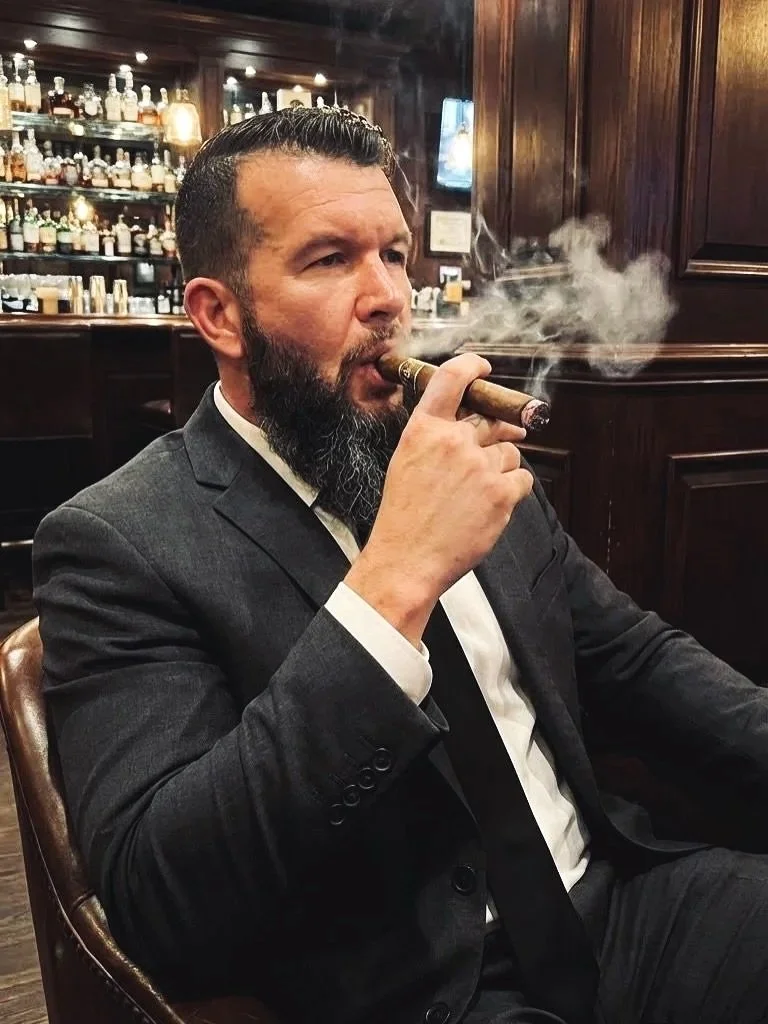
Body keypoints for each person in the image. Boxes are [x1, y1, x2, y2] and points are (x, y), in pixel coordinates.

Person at [33, 107, 768, 1024]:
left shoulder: (453, 457)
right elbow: (162, 898)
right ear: (219, 315)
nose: (387, 297)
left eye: (393, 254)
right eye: (329, 259)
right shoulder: (117, 542)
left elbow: (635, 658)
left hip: (620, 905)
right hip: (421, 989)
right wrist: (396, 581)